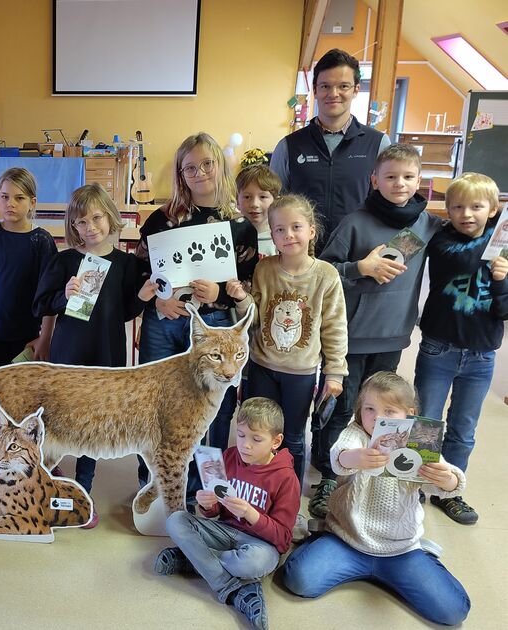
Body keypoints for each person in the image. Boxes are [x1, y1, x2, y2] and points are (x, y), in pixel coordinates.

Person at [310, 143, 441, 517]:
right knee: (339, 410)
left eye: (408, 177)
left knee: (386, 412)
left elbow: (468, 239)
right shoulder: (355, 222)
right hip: (350, 338)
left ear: (420, 182)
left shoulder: (428, 225)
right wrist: (360, 269)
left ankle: (391, 474)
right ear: (374, 180)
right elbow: (322, 270)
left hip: (394, 335)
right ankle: (329, 480)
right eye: (390, 176)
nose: (399, 183)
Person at [282, 372, 471, 626]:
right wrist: (354, 458)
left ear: (409, 413)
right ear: (360, 410)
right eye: (369, 408)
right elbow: (339, 455)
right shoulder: (357, 433)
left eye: (390, 411)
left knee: (453, 611)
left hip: (400, 549)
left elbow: (450, 481)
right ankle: (320, 538)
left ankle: (414, 561)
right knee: (299, 580)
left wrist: (446, 478)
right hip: (347, 539)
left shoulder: (418, 438)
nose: (378, 417)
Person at [134, 132, 258, 490]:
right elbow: (141, 271)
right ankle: (153, 485)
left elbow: (248, 283)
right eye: (190, 168)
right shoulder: (161, 220)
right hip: (165, 322)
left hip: (215, 327)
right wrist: (158, 300)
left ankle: (208, 486)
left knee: (212, 406)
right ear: (180, 174)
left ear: (220, 166)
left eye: (207, 164)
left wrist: (220, 292)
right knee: (154, 400)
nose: (200, 173)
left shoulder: (240, 225)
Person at [33, 183, 156, 524]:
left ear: (110, 217)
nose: (90, 228)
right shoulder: (65, 261)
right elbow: (40, 304)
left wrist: (144, 296)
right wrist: (64, 294)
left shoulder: (126, 265)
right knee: (59, 420)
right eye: (81, 223)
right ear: (72, 227)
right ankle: (44, 483)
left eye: (97, 218)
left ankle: (83, 490)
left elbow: (126, 311)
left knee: (93, 425)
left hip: (107, 354)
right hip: (69, 355)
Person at [228, 195, 347, 487]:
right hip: (262, 367)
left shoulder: (326, 275)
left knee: (292, 437)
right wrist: (243, 300)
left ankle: (288, 499)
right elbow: (254, 318)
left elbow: (334, 326)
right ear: (271, 233)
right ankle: (255, 490)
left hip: (301, 373)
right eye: (279, 229)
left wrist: (334, 371)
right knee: (258, 432)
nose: (288, 235)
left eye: (296, 227)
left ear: (311, 231)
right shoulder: (264, 269)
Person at [154, 398, 299, 630]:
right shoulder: (229, 457)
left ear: (276, 441)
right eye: (240, 435)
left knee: (254, 564)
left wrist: (252, 515)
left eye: (256, 439)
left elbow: (282, 539)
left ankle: (194, 559)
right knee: (176, 520)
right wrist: (207, 504)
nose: (245, 445)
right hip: (224, 531)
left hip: (259, 545)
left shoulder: (287, 479)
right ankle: (232, 588)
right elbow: (215, 513)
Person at [414, 172, 508, 525]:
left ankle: (449, 489)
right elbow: (461, 260)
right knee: (426, 423)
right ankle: (416, 482)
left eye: (477, 206)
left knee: (463, 429)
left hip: (481, 355)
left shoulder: (502, 249)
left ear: (493, 208)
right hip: (439, 349)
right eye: (457, 207)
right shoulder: (441, 239)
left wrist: (502, 280)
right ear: (447, 210)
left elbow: (505, 309)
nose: (466, 213)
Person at [269, 48, 390, 249]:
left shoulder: (378, 144)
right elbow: (274, 204)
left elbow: (388, 202)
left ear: (356, 89)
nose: (333, 94)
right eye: (325, 86)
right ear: (315, 90)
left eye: (343, 86)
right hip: (303, 258)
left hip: (357, 258)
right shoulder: (288, 146)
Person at [0, 167, 57, 368]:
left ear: (32, 202)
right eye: (5, 197)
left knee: (23, 393)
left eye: (19, 198)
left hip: (26, 335)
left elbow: (50, 296)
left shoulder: (42, 241)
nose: (10, 203)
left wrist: (45, 337)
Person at [235, 164, 281, 258]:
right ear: (237, 201)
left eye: (263, 197)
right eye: (247, 197)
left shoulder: (282, 238)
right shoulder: (232, 237)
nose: (254, 204)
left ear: (276, 201)